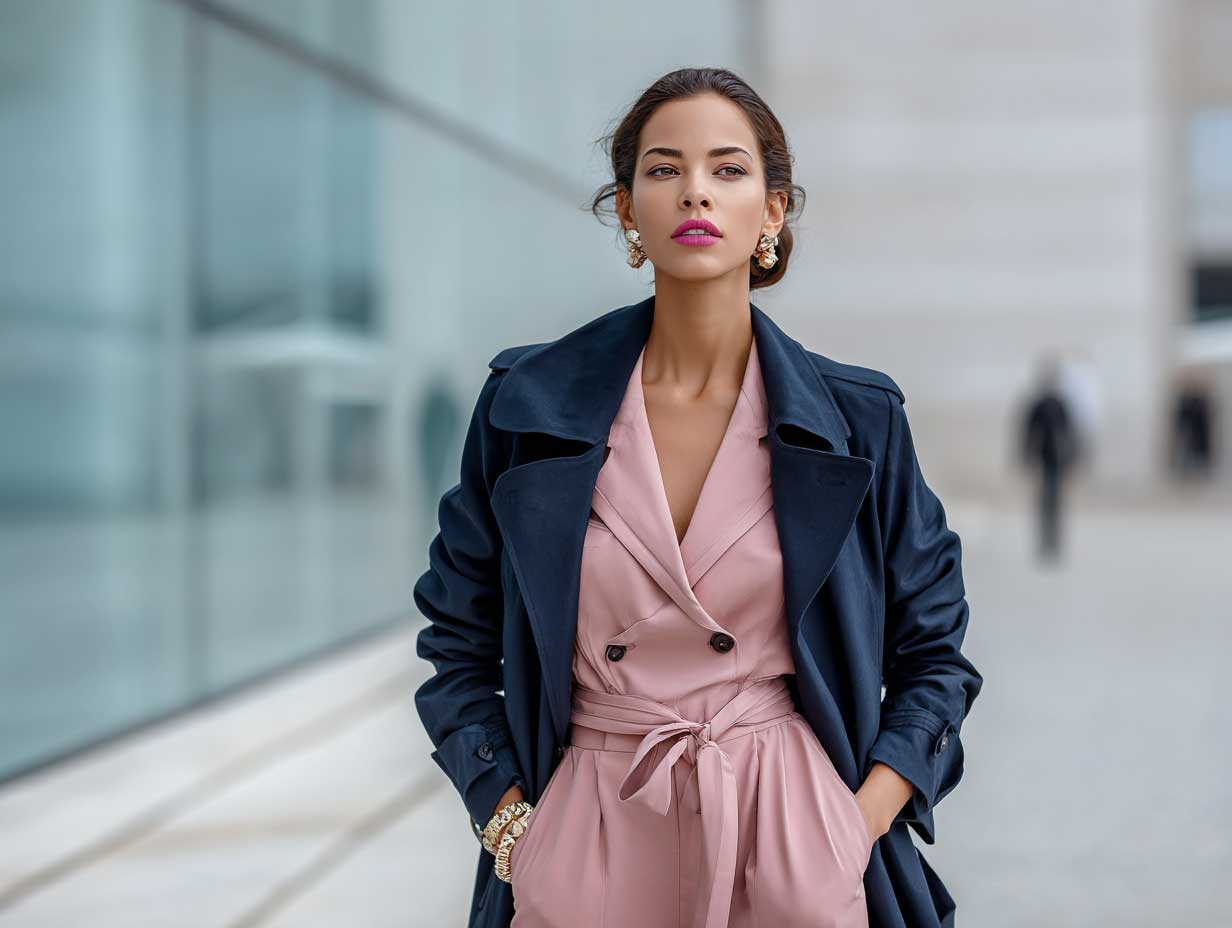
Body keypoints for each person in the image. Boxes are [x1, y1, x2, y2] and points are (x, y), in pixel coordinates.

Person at [414, 67, 983, 928]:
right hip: (590, 835)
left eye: (727, 169)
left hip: (790, 837)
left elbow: (935, 649)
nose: (695, 193)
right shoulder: (526, 406)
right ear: (628, 210)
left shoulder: (859, 420)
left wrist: (852, 825)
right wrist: (515, 829)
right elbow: (456, 638)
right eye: (663, 168)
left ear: (774, 210)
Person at [1019, 356, 1081, 561]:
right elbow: (1029, 431)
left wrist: (1071, 457)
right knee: (1044, 500)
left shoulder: (1060, 403)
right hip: (1044, 457)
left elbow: (1070, 432)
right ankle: (1046, 540)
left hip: (1057, 458)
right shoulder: (1039, 404)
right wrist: (1026, 455)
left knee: (1054, 500)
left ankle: (1054, 540)